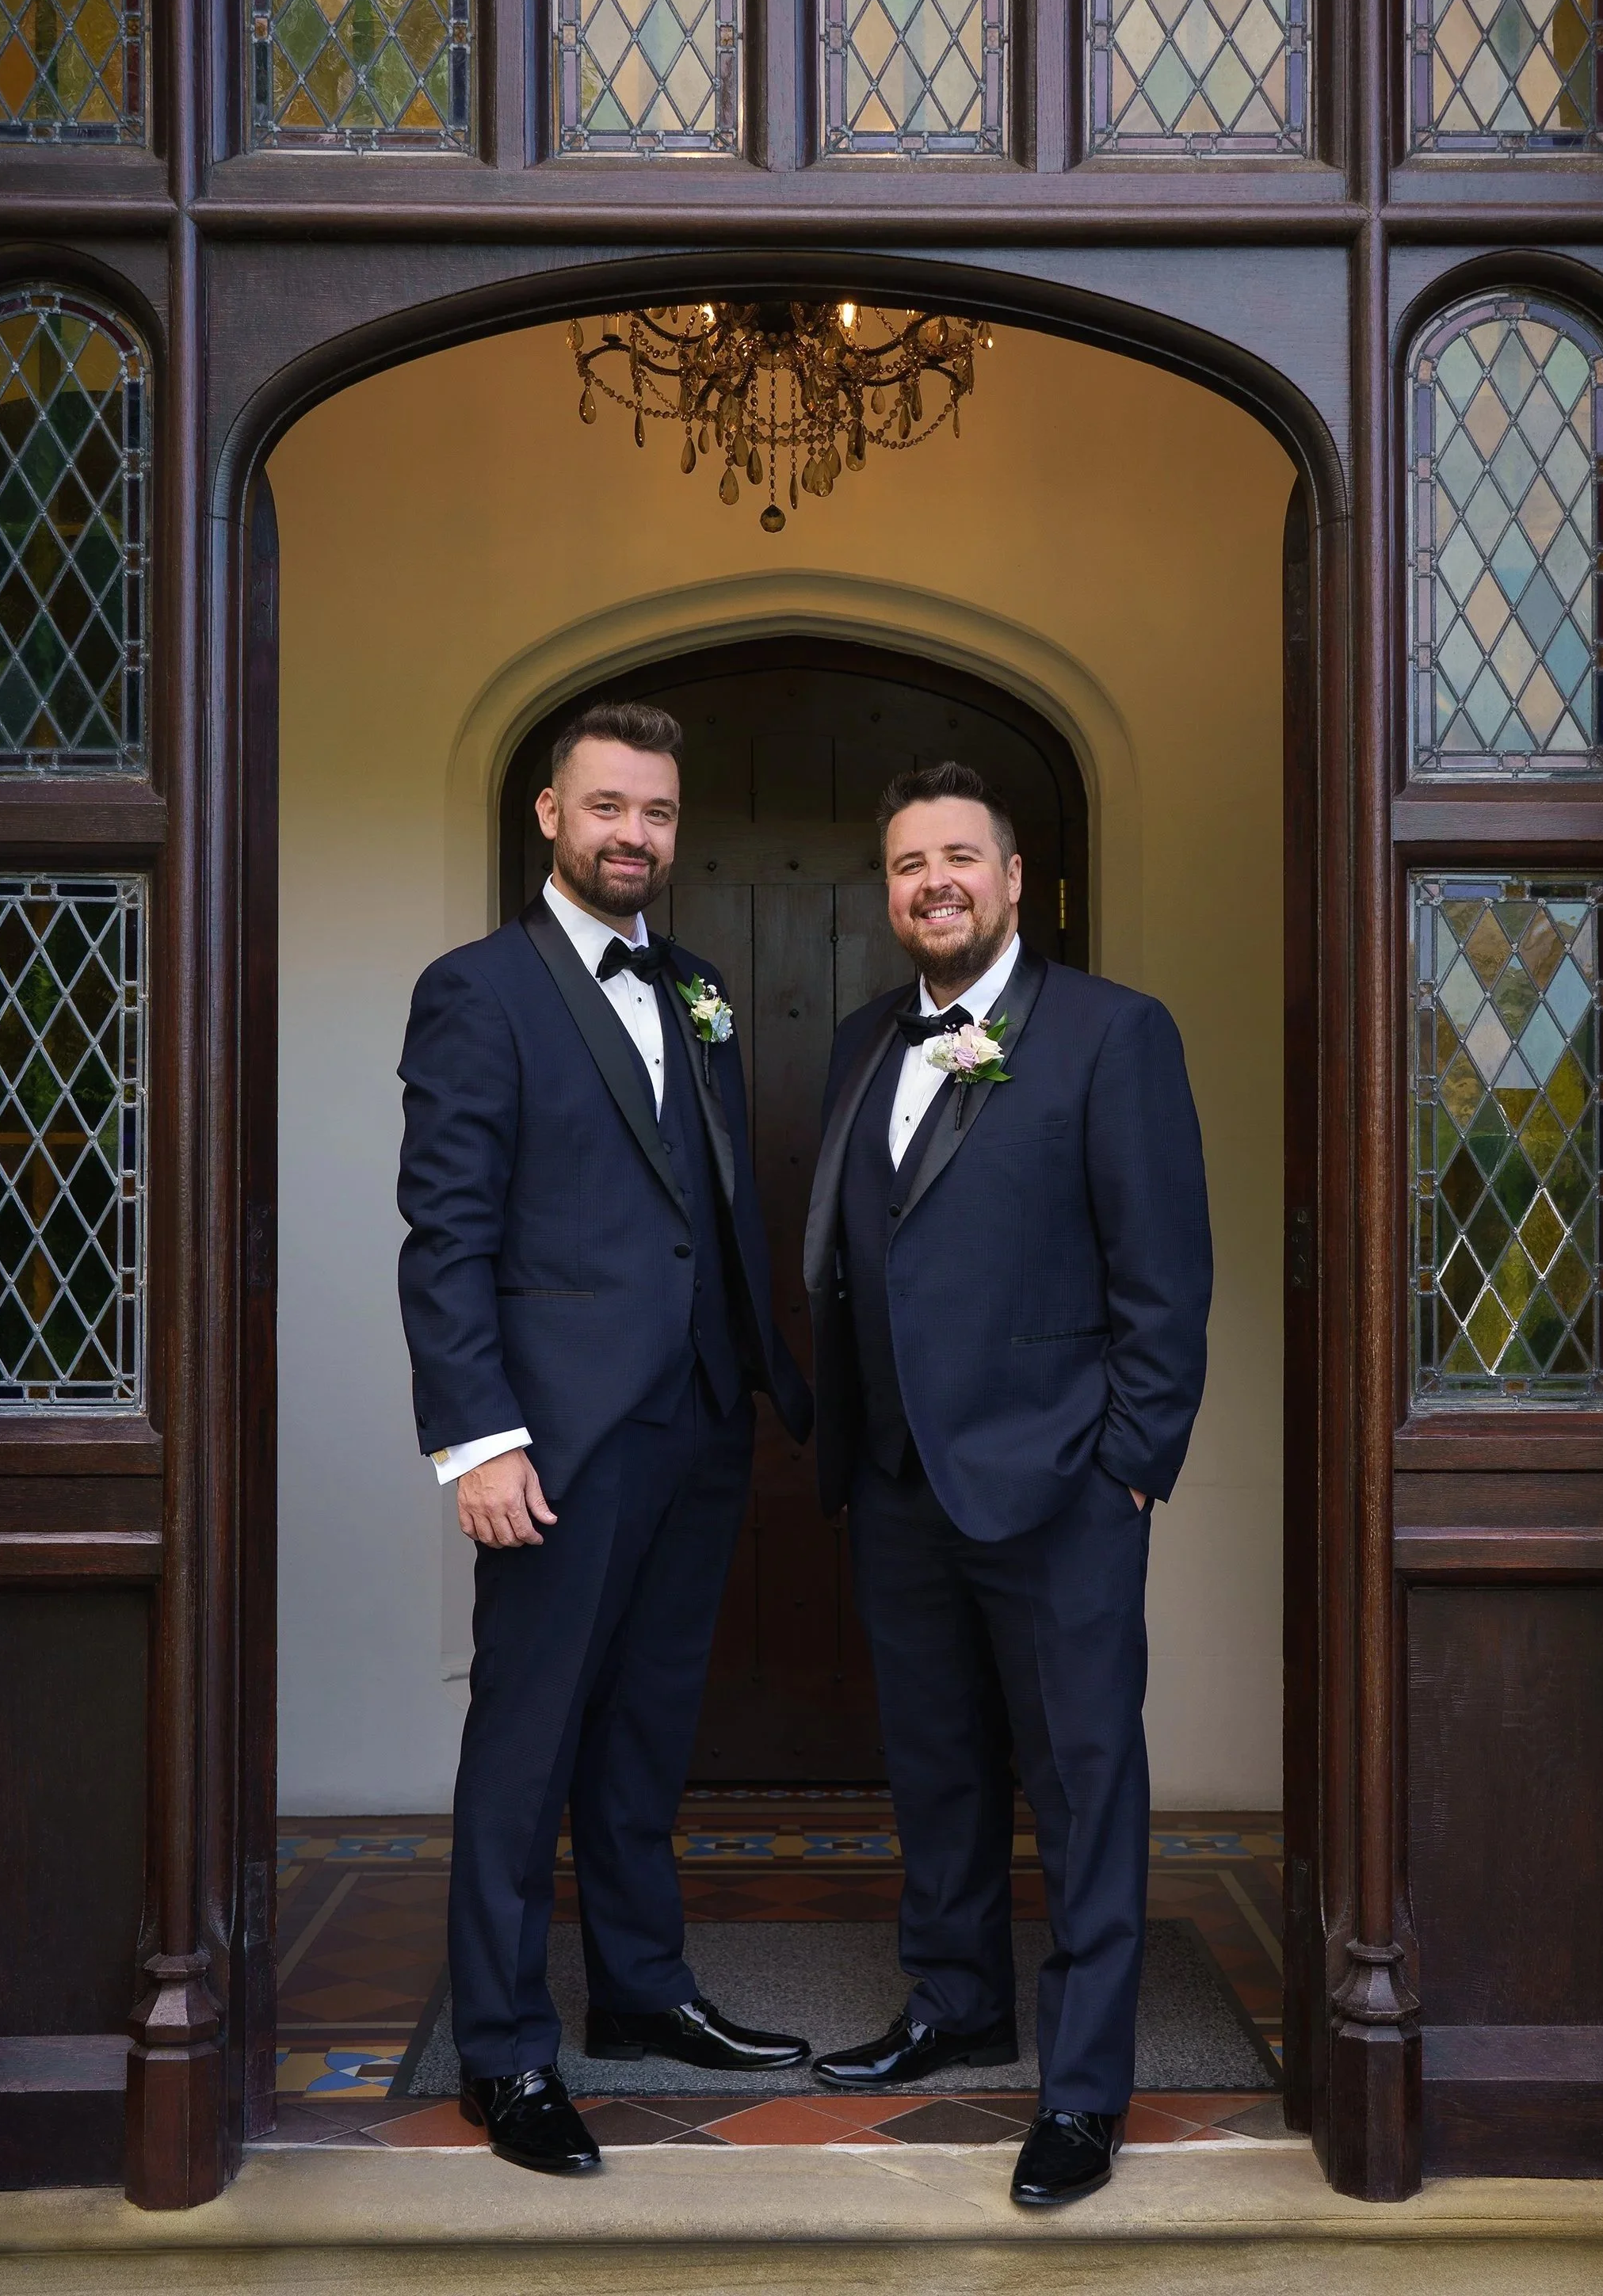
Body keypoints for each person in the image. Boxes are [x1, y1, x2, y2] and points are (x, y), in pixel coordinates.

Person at [397, 700, 813, 2176]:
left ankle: (640, 1991)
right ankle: (507, 2052)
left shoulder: (696, 986)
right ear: (551, 816)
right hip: (555, 1439)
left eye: (658, 812)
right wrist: (478, 1441)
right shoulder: (477, 990)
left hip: (697, 1418)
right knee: (527, 1746)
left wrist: (750, 1378)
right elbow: (445, 1235)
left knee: (646, 1733)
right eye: (609, 807)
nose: (635, 834)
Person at [803, 761, 1212, 2206]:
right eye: (909, 864)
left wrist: (1129, 1471)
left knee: (1084, 1786)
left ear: (1015, 877)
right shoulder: (863, 1040)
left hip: (1062, 1488)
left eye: (960, 858)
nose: (936, 884)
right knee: (938, 1766)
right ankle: (958, 1999)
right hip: (900, 1479)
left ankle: (1085, 2089)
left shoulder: (1112, 1033)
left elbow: (1164, 1280)